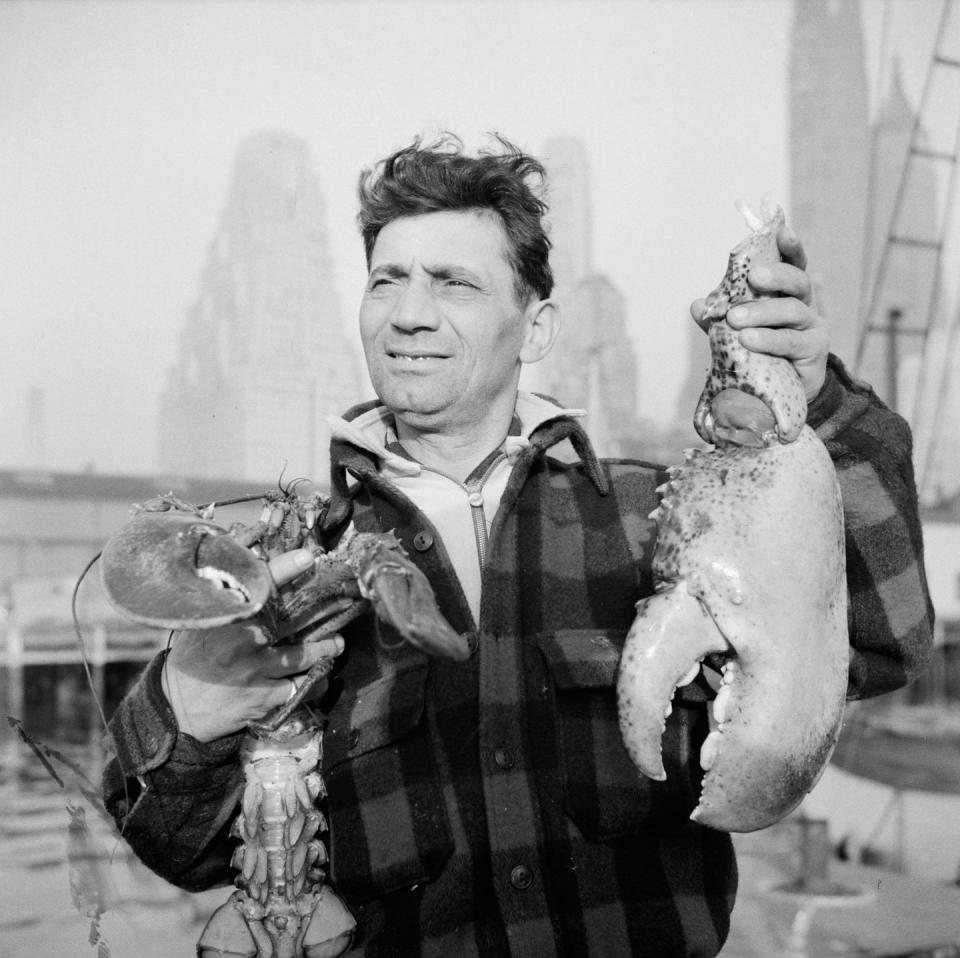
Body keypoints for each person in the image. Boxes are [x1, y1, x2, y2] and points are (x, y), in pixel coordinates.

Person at [103, 134, 934, 957]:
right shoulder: (289, 562)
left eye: (453, 283)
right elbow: (178, 848)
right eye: (385, 280)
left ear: (536, 330)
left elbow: (881, 629)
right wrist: (190, 710)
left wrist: (815, 392)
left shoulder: (659, 515)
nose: (407, 313)